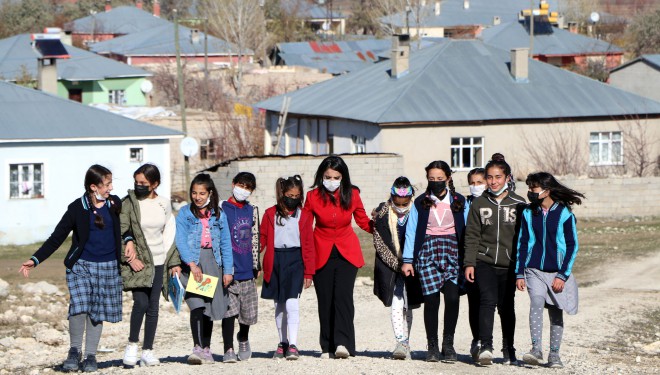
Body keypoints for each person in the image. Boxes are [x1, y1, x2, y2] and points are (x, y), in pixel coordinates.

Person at [18, 165, 123, 372]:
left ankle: (91, 356)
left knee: (96, 311)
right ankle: (74, 351)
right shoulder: (77, 208)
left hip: (108, 266)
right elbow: (57, 237)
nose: (111, 187)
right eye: (107, 184)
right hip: (81, 265)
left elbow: (127, 227)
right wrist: (36, 259)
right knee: (79, 306)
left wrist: (128, 243)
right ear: (94, 187)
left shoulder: (114, 203)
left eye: (111, 183)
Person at [304, 155, 373, 358]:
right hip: (321, 250)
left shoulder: (352, 194)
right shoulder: (312, 196)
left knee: (343, 298)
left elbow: (363, 221)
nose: (332, 181)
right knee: (325, 299)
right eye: (327, 176)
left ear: (343, 177)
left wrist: (383, 228)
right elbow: (305, 227)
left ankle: (343, 343)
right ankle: (327, 346)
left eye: (336, 177)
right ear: (321, 176)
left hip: (346, 251)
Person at [516, 172, 584, 369]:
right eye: (529, 188)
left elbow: (572, 246)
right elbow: (522, 242)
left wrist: (563, 275)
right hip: (534, 269)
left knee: (555, 312)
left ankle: (554, 354)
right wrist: (520, 272)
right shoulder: (529, 213)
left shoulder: (564, 214)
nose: (530, 192)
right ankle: (536, 349)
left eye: (533, 188)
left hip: (557, 272)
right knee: (536, 301)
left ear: (547, 190)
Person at [464, 154, 526, 366]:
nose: (493, 181)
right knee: (487, 301)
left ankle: (509, 349)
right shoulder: (479, 203)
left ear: (507, 178)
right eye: (489, 177)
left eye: (498, 177)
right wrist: (469, 263)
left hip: (509, 265)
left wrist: (522, 268)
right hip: (484, 261)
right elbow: (472, 235)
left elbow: (524, 238)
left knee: (506, 306)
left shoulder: (519, 204)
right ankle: (486, 347)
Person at [401, 161, 466, 363]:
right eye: (432, 179)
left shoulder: (459, 200)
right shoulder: (421, 202)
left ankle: (448, 343)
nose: (436, 182)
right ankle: (432, 346)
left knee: (453, 298)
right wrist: (408, 260)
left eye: (440, 179)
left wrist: (469, 258)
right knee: (431, 301)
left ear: (448, 178)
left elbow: (468, 230)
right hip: (428, 253)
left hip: (453, 253)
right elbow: (411, 232)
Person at [120, 164, 180, 367]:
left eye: (144, 183)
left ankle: (148, 350)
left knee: (153, 307)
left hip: (158, 261)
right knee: (141, 303)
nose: (139, 186)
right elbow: (123, 229)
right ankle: (132, 345)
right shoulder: (129, 202)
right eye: (136, 182)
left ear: (155, 184)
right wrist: (130, 255)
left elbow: (169, 232)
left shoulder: (164, 203)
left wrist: (170, 261)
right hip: (137, 262)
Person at [176, 173, 233, 365]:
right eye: (194, 193)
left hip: (212, 262)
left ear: (210, 193)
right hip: (192, 263)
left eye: (201, 193)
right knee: (196, 305)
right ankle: (197, 347)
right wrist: (191, 264)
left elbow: (225, 243)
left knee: (208, 308)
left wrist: (228, 270)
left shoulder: (219, 214)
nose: (197, 197)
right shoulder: (185, 213)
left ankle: (207, 348)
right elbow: (181, 240)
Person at [259, 175, 315, 360]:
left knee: (292, 302)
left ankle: (293, 344)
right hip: (276, 260)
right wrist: (252, 258)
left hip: (295, 261)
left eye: (297, 195)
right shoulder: (269, 214)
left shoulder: (305, 215)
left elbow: (308, 245)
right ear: (282, 193)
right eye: (290, 194)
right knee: (279, 304)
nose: (293, 198)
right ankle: (282, 342)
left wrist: (309, 271)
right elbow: (262, 240)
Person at [372, 177, 423, 360]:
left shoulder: (418, 212)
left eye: (405, 202)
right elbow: (379, 242)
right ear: (392, 197)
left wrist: (410, 262)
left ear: (411, 198)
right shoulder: (382, 214)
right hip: (391, 266)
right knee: (396, 301)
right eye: (397, 202)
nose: (401, 206)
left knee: (409, 303)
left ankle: (406, 342)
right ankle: (399, 341)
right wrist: (397, 264)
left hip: (413, 265)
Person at [220, 172, 261, 363]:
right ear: (233, 184)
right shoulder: (221, 208)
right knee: (229, 312)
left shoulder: (252, 210)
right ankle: (228, 348)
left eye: (248, 188)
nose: (243, 190)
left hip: (247, 269)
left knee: (247, 313)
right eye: (241, 185)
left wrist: (256, 264)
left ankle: (243, 338)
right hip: (228, 270)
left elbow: (255, 237)